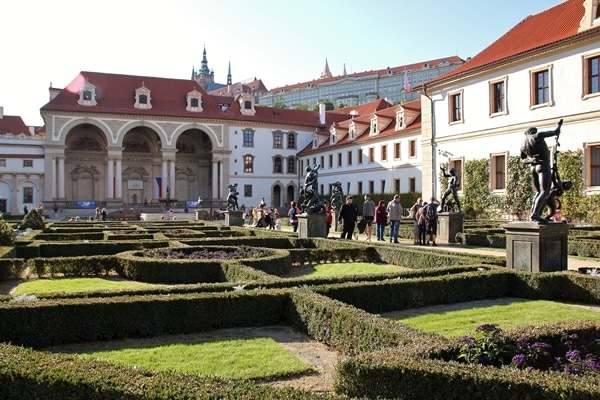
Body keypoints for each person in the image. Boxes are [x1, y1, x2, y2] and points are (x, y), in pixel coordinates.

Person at [520, 119, 563, 223]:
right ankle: (535, 214)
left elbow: (523, 159)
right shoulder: (537, 136)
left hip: (533, 167)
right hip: (543, 166)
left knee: (538, 192)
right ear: (533, 131)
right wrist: (559, 125)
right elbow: (555, 132)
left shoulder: (523, 144)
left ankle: (534, 214)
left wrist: (531, 159)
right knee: (544, 191)